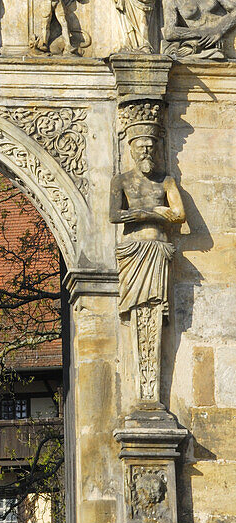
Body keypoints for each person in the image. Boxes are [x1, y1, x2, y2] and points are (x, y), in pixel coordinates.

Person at [109, 110, 185, 402]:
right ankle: (145, 391)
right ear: (131, 148)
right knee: (138, 310)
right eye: (141, 146)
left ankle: (150, 393)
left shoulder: (165, 181)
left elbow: (179, 214)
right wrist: (150, 213)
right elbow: (114, 215)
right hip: (133, 251)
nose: (146, 150)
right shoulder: (122, 181)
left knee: (155, 311)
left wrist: (153, 215)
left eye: (151, 146)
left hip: (156, 250)